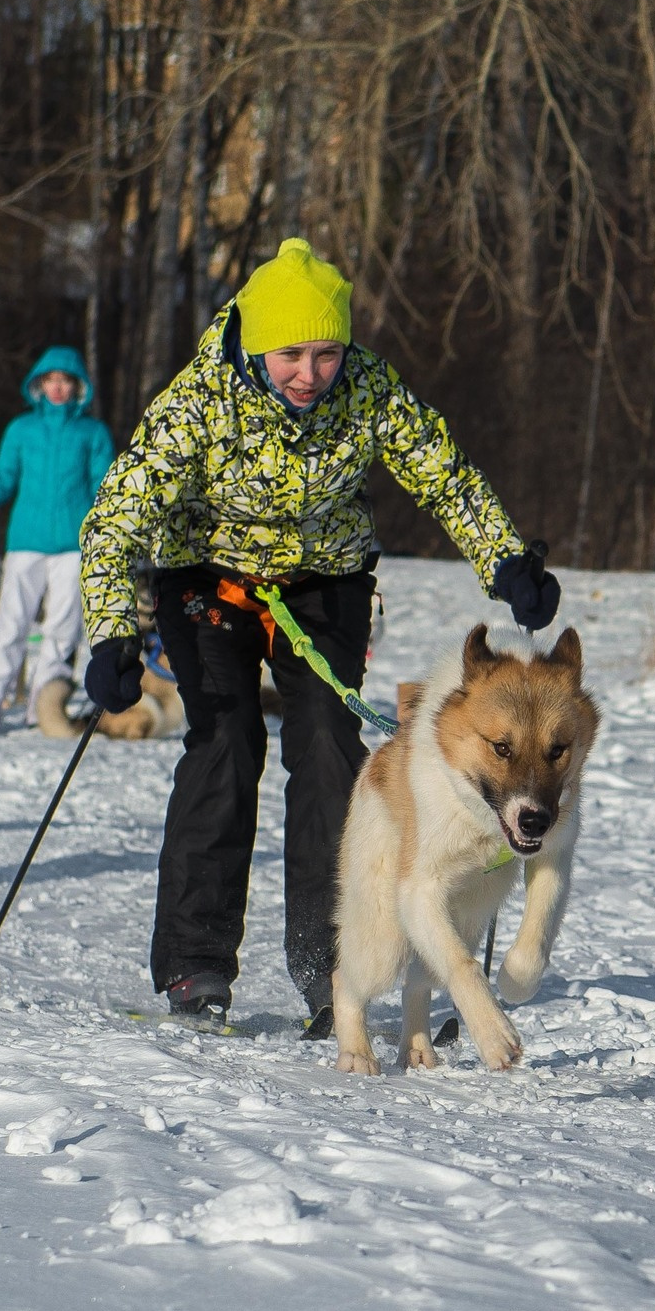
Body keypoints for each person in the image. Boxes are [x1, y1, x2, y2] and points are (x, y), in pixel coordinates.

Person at [79, 237, 560, 1033]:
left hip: (325, 581)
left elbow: (442, 470)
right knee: (225, 744)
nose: (311, 372)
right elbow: (116, 517)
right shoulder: (200, 399)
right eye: (292, 353)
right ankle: (196, 964)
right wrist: (110, 637)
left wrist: (506, 559)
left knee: (331, 751)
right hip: (209, 579)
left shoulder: (366, 389)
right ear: (259, 343)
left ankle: (332, 963)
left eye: (328, 352)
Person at [0, 347, 113, 732]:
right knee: (8, 628)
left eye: (65, 380)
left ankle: (44, 714)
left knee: (62, 633)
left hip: (73, 548)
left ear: (78, 386)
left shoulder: (92, 433)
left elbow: (104, 490)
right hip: (25, 541)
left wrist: (110, 532)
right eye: (51, 380)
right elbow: (1, 482)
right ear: (39, 385)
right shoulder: (21, 430)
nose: (58, 388)